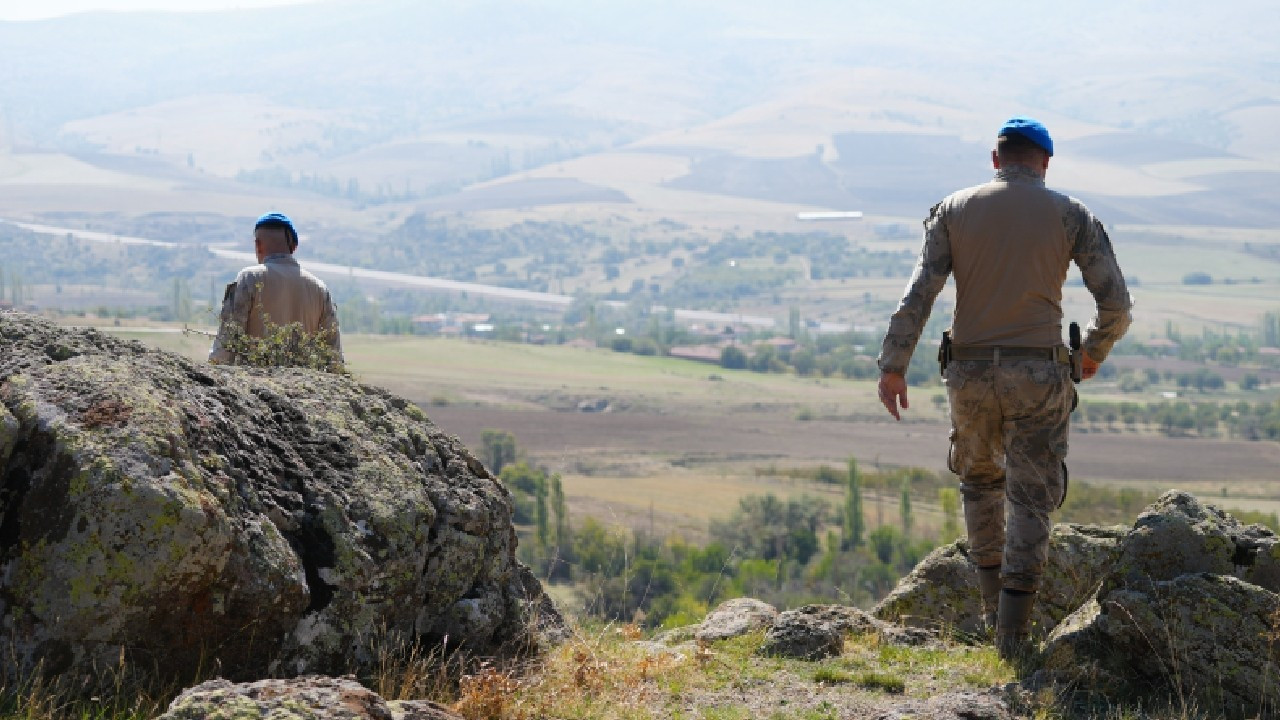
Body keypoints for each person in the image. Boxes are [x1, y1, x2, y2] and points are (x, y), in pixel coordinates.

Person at [875, 116, 1132, 658]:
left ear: (996, 159)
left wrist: (894, 364)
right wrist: (1091, 352)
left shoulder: (954, 210)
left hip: (967, 373)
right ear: (1045, 162)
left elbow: (921, 291)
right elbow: (1116, 303)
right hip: (1038, 374)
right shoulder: (1070, 214)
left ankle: (991, 612)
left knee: (979, 483)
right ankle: (1014, 638)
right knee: (1032, 496)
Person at [209, 212, 344, 367]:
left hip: (255, 384)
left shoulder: (249, 279)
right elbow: (334, 356)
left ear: (258, 245)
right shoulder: (320, 289)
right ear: (294, 247)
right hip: (304, 385)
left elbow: (226, 346)